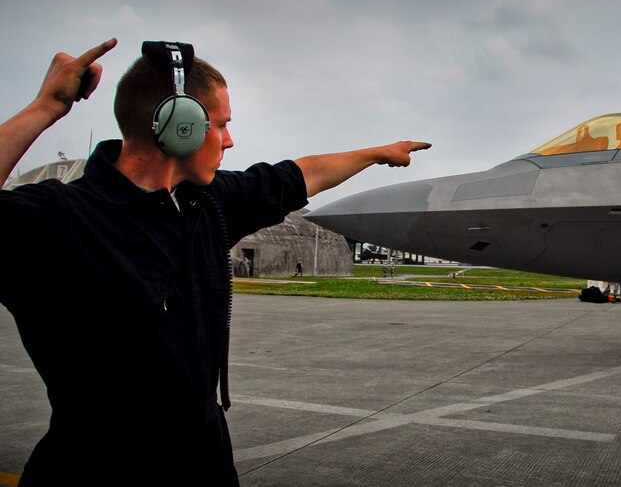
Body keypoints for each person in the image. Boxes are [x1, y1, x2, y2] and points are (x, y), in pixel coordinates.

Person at [0, 38, 430, 486]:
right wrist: (45, 108)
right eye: (221, 124)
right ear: (180, 126)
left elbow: (302, 174)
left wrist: (377, 154)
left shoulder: (209, 204)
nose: (229, 140)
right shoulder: (57, 220)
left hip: (205, 463)